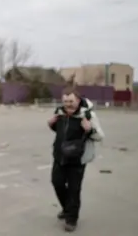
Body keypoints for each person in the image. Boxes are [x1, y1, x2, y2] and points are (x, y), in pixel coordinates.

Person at [48, 87, 104, 232]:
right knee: (57, 183)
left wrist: (89, 129)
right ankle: (67, 208)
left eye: (71, 101)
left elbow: (100, 136)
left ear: (78, 100)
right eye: (65, 101)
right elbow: (61, 131)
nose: (68, 104)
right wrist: (51, 124)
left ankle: (71, 219)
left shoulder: (88, 115)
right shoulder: (59, 112)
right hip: (59, 156)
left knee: (74, 189)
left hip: (77, 159)